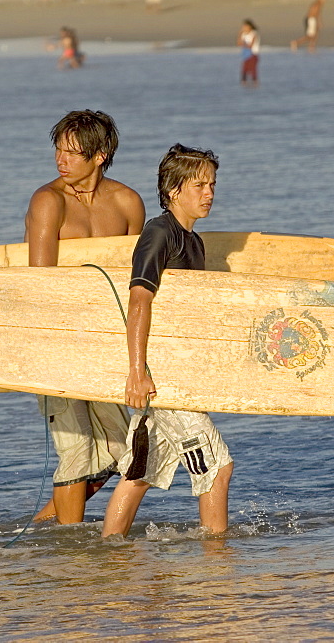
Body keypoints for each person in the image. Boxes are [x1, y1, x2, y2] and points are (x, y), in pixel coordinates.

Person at [102, 144, 233, 538]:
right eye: (199, 184)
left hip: (173, 375)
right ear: (173, 189)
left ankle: (110, 554)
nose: (209, 192)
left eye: (212, 184)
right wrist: (136, 372)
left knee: (140, 471)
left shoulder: (193, 242)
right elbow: (138, 299)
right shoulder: (159, 233)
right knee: (216, 467)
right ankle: (216, 568)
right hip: (158, 378)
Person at [25, 110, 147, 524]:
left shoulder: (127, 202)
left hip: (107, 339)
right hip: (56, 339)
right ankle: (69, 548)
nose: (61, 159)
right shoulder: (49, 201)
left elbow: (138, 280)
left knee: (119, 449)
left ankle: (37, 529)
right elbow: (42, 284)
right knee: (77, 452)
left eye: (73, 153)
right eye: (58, 149)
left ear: (100, 155)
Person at [237, 19, 260, 86]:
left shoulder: (254, 33)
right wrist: (240, 34)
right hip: (245, 53)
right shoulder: (243, 34)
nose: (243, 28)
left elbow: (251, 45)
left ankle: (255, 82)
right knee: (244, 68)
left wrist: (243, 43)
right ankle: (244, 82)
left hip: (253, 53)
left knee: (253, 69)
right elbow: (238, 43)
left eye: (245, 26)